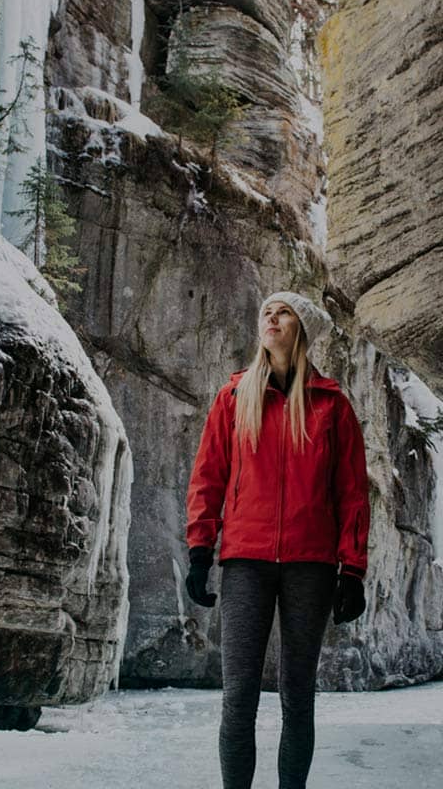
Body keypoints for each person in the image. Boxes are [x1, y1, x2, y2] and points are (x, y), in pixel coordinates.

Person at [185, 290, 370, 789]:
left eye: (283, 311)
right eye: (266, 310)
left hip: (311, 564)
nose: (271, 316)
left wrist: (352, 570)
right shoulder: (233, 398)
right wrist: (200, 551)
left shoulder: (332, 406)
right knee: (238, 694)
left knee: (297, 695)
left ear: (301, 330)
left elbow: (352, 492)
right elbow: (208, 478)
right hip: (245, 559)